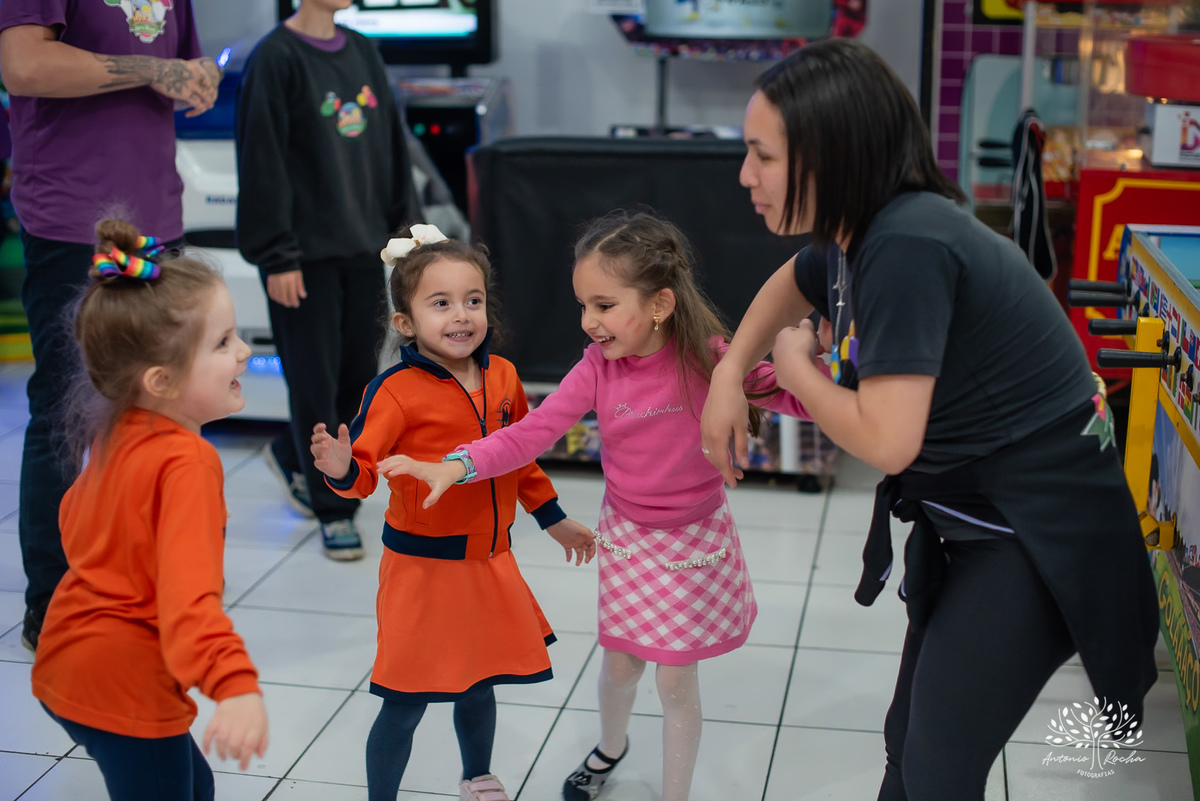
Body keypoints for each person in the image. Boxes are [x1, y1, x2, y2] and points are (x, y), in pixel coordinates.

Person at [700, 38, 1159, 801]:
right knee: (907, 749)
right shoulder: (860, 231)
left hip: (1033, 533)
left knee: (939, 767)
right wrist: (727, 371)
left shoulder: (906, 242)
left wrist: (794, 368)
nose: (746, 175)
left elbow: (887, 439)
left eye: (763, 155)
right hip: (974, 517)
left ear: (835, 155)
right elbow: (797, 277)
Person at [379, 212, 811, 801]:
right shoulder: (597, 365)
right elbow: (531, 434)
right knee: (622, 664)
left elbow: (799, 398)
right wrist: (458, 465)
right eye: (583, 305)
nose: (589, 322)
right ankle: (611, 747)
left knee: (675, 679)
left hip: (694, 541)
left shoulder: (714, 358)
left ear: (659, 305)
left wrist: (814, 365)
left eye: (604, 305)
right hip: (628, 536)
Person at [309, 226, 595, 801]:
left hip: (490, 563)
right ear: (405, 322)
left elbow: (518, 458)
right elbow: (364, 475)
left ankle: (477, 776)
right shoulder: (393, 391)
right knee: (404, 701)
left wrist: (553, 518)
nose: (461, 315)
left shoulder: (504, 376)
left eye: (473, 300)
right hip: (422, 570)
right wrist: (341, 468)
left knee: (480, 683)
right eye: (440, 303)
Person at [0, 0, 220, 652]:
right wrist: (153, 70)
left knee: (159, 410)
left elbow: (180, 65)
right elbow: (23, 65)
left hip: (157, 220)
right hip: (77, 224)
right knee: (69, 410)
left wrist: (197, 77)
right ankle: (55, 604)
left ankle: (145, 582)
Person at [32, 218, 269, 801]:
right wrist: (235, 685)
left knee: (194, 785)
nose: (244, 352)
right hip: (126, 683)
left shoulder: (117, 429)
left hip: (66, 656)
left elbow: (73, 522)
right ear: (161, 380)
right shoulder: (188, 463)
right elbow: (189, 601)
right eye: (223, 343)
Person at [235, 0, 413, 560]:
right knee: (314, 386)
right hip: (302, 260)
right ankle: (335, 508)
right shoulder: (275, 58)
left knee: (356, 383)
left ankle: (293, 454)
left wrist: (407, 235)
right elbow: (261, 161)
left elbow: (391, 146)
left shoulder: (362, 50)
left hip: (363, 249)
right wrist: (277, 256)